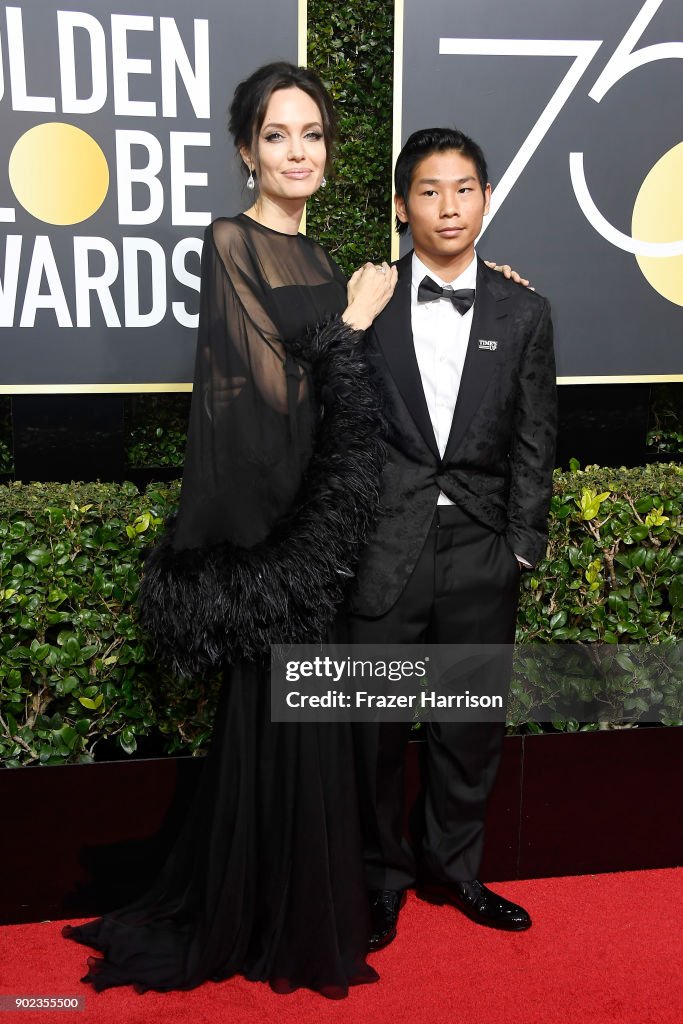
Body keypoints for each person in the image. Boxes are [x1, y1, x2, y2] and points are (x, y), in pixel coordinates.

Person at [62, 61, 398, 999]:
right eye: (278, 135)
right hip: (274, 528)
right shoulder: (232, 240)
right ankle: (260, 917)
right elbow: (264, 395)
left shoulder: (324, 260)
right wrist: (352, 325)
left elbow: (342, 398)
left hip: (324, 524)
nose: (298, 151)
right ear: (246, 149)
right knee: (276, 712)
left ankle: (303, 906)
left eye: (313, 135)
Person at [347, 128, 557, 950]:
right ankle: (378, 878)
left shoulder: (524, 308)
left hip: (480, 547)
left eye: (463, 188)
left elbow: (536, 436)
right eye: (429, 191)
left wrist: (522, 545)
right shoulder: (363, 297)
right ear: (402, 207)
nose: (448, 206)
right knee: (371, 729)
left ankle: (455, 869)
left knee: (466, 723)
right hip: (382, 547)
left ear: (487, 198)